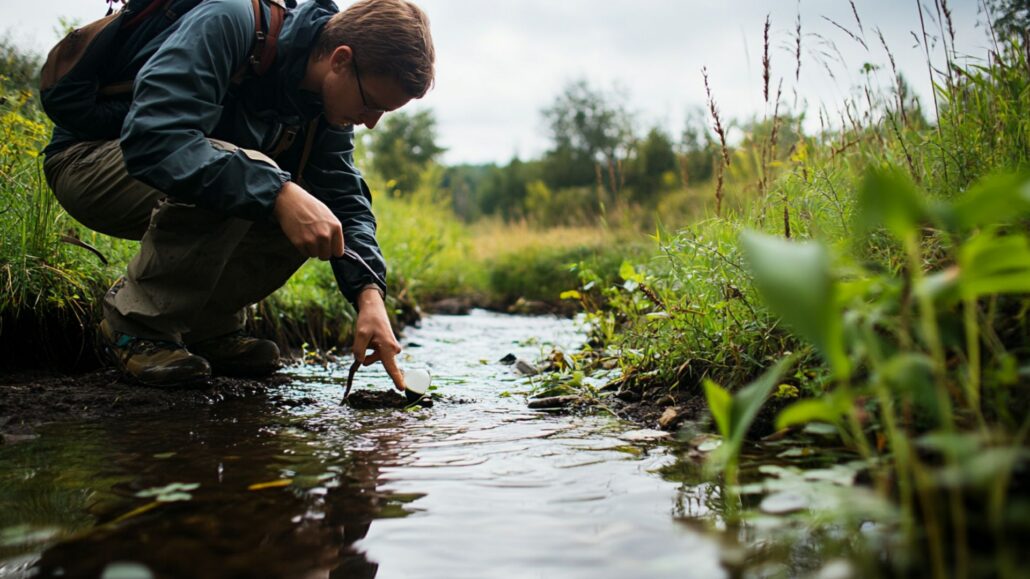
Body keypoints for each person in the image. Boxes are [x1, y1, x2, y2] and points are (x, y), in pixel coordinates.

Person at [41, 0, 434, 389]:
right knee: (256, 176)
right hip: (89, 162)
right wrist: (278, 191)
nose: (370, 123)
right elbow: (154, 140)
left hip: (167, 170)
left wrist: (369, 297)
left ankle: (206, 327)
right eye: (372, 104)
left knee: (310, 204)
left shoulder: (322, 103)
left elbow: (346, 202)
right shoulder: (228, 22)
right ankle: (136, 325)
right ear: (340, 60)